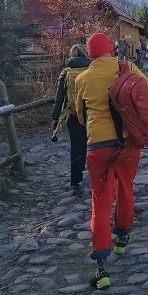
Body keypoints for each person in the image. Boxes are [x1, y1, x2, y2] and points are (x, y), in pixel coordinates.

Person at [73, 32, 148, 290]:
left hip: (97, 147)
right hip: (127, 143)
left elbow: (80, 115)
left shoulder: (83, 79)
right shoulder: (128, 68)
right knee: (126, 189)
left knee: (100, 201)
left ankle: (102, 268)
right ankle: (122, 238)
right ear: (111, 49)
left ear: (90, 53)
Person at [50, 44, 91, 197]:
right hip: (91, 114)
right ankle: (91, 174)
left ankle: (76, 181)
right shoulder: (90, 70)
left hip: (73, 115)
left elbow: (59, 98)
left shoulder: (66, 73)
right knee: (90, 145)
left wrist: (55, 118)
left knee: (76, 146)